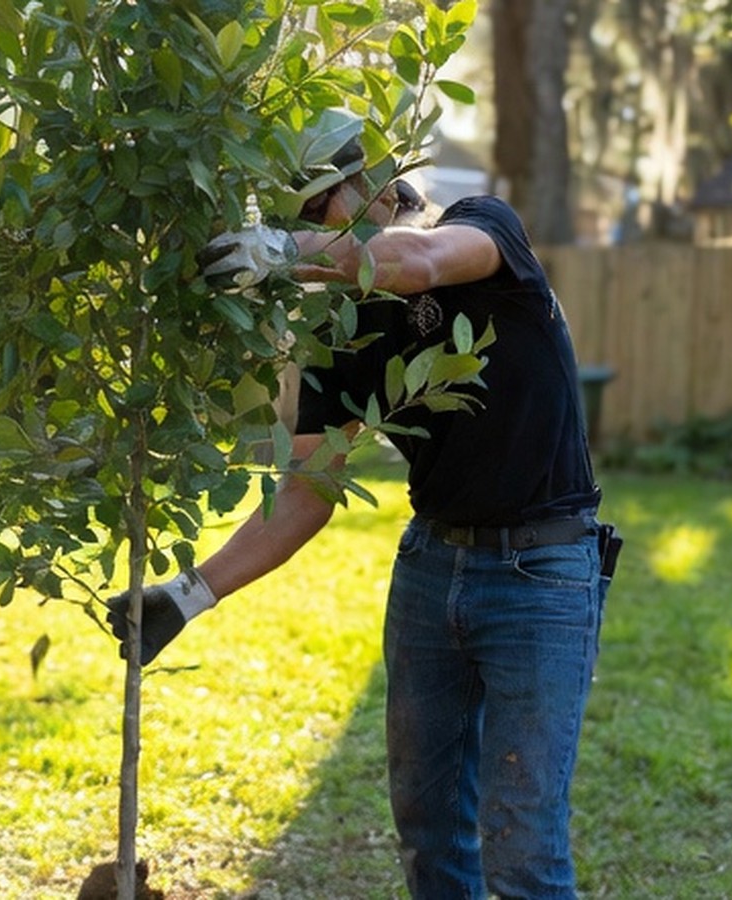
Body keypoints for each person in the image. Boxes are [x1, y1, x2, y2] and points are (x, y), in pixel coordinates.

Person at [111, 110, 619, 899]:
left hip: (543, 573)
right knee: (429, 825)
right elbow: (307, 490)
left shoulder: (481, 230)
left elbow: (417, 262)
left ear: (375, 183)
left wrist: (283, 251)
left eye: (321, 208)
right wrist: (189, 593)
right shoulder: (339, 333)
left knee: (523, 845)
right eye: (297, 218)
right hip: (430, 569)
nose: (313, 230)